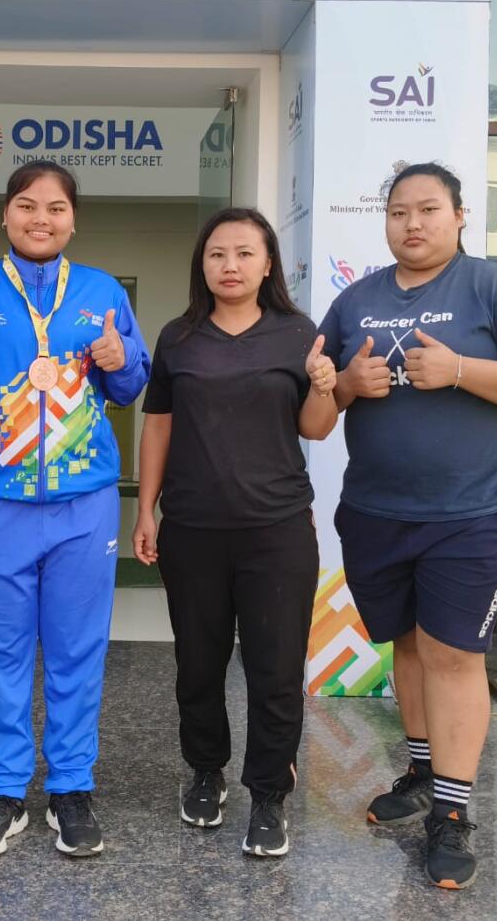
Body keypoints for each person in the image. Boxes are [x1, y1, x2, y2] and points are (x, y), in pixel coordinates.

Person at [319, 162, 497, 890]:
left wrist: (460, 369)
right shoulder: (355, 300)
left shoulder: (494, 288)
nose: (412, 223)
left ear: (459, 216)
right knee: (409, 643)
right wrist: (344, 386)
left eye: (428, 209)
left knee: (453, 655)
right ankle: (424, 774)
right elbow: (318, 405)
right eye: (399, 211)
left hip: (471, 513)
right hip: (375, 511)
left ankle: (452, 814)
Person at [0, 161, 150, 859]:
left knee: (79, 650)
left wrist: (118, 358)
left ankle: (72, 789)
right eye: (26, 205)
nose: (40, 218)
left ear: (73, 220)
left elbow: (132, 385)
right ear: (5, 214)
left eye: (55, 208)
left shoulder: (102, 291)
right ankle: (1, 792)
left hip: (84, 506)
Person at [131, 207, 337, 857]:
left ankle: (270, 793)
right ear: (202, 263)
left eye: (245, 253)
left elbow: (315, 427)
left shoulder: (297, 333)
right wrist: (146, 509)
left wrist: (326, 388)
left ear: (268, 263)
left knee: (275, 668)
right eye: (218, 253)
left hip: (277, 530)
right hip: (193, 529)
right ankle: (205, 770)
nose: (231, 265)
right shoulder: (180, 336)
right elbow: (158, 425)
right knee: (198, 663)